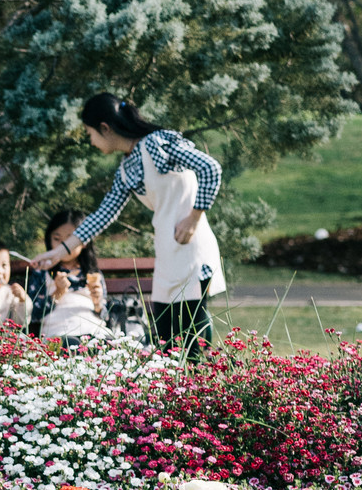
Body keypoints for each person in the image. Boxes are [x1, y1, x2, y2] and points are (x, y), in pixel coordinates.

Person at [28, 94, 224, 351]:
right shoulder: (127, 167)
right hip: (167, 251)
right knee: (165, 341)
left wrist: (194, 216)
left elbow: (210, 168)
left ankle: (199, 386)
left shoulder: (157, 143)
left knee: (192, 338)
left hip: (191, 248)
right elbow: (102, 216)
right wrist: (57, 253)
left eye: (90, 134)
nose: (91, 142)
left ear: (105, 128)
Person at [29, 210, 110, 341]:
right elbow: (34, 316)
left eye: (70, 239)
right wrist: (57, 293)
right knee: (72, 345)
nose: (63, 245)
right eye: (57, 238)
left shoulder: (92, 273)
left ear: (84, 241)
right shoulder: (42, 271)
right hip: (59, 334)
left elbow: (105, 316)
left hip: (94, 331)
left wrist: (98, 303)